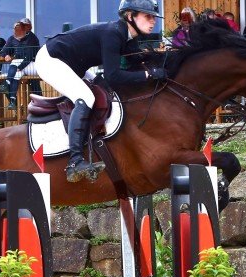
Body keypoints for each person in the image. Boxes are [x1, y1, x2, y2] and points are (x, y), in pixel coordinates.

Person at [35, 0, 166, 183]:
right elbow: (114, 76)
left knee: (104, 90)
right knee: (86, 97)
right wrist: (147, 75)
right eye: (148, 16)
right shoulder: (113, 33)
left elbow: (137, 64)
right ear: (130, 16)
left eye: (153, 17)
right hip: (51, 60)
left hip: (73, 64)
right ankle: (75, 162)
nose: (153, 21)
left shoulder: (128, 37)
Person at [0, 19, 40, 109]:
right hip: (19, 66)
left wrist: (20, 67)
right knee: (16, 75)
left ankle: (7, 84)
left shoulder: (32, 38)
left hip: (32, 65)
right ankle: (13, 102)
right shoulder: (12, 38)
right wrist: (6, 55)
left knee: (15, 64)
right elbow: (3, 51)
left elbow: (29, 57)